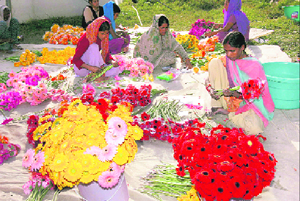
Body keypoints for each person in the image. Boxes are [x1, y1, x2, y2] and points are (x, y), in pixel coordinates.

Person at [205, 31, 274, 135]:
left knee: (253, 129)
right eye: (226, 51)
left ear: (242, 47)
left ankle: (232, 113)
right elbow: (208, 80)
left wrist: (233, 94)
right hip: (229, 98)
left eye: (232, 51)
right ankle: (218, 105)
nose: (228, 54)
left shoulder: (254, 66)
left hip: (248, 102)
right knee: (214, 62)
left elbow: (255, 95)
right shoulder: (229, 59)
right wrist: (210, 89)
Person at [73, 17, 120, 82]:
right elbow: (76, 59)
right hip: (83, 68)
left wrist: (112, 61)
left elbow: (105, 54)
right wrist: (91, 68)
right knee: (94, 47)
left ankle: (96, 76)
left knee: (116, 69)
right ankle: (95, 76)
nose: (104, 36)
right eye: (102, 33)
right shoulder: (86, 38)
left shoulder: (103, 39)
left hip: (95, 68)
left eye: (106, 33)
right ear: (96, 30)